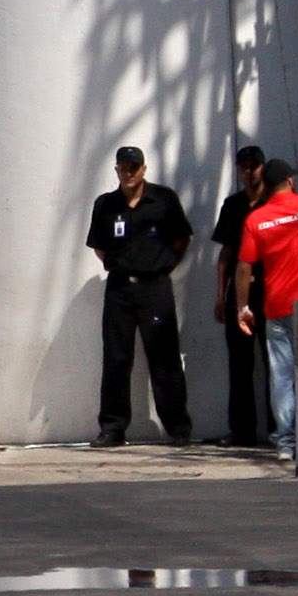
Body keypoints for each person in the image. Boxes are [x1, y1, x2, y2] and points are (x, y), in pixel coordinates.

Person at [88, 143, 196, 447]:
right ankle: (112, 428)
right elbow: (99, 245)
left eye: (134, 167)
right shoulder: (106, 204)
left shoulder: (163, 199)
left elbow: (181, 239)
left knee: (164, 358)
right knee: (116, 358)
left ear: (144, 169)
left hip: (155, 288)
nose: (129, 172)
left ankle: (177, 427)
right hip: (120, 288)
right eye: (124, 167)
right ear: (117, 170)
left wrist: (161, 266)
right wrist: (118, 265)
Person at [238, 159, 298, 460]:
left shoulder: (256, 219)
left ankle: (287, 443)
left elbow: (244, 267)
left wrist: (242, 307)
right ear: (291, 182)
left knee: (282, 377)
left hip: (277, 307)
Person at [217, 144, 273, 447]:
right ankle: (242, 429)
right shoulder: (233, 204)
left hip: (268, 288)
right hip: (238, 292)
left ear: (263, 168)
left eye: (253, 165)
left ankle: (281, 430)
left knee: (275, 360)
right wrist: (219, 295)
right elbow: (225, 254)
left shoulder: (273, 204)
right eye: (243, 166)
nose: (248, 171)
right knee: (239, 363)